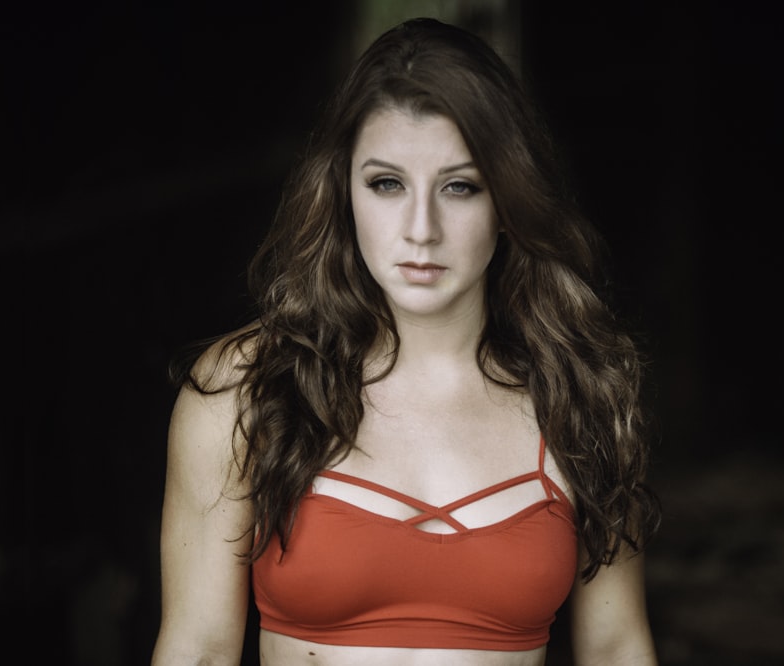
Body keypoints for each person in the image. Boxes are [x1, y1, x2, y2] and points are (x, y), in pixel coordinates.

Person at [151, 16, 661, 666]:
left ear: (508, 203)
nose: (421, 228)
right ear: (342, 192)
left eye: (460, 187)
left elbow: (617, 649)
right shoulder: (245, 392)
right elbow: (197, 651)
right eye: (387, 184)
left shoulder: (580, 394)